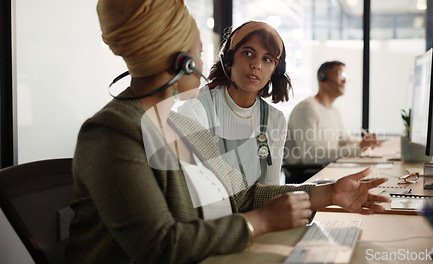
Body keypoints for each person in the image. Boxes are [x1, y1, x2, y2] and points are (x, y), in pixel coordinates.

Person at [66, 1, 390, 263]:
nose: (205, 58)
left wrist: (327, 193)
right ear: (182, 62)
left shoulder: (181, 123)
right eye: (198, 50)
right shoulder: (112, 133)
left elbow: (241, 196)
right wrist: (259, 223)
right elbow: (159, 246)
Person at [178, 21, 289, 185]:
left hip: (259, 209)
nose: (256, 65)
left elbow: (270, 187)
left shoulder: (275, 119)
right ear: (228, 59)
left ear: (275, 71)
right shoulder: (197, 110)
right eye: (248, 53)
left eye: (267, 59)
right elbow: (194, 188)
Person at [285, 61, 381, 165]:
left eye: (345, 76)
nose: (344, 81)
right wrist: (358, 148)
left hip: (327, 168)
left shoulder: (334, 111)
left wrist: (368, 142)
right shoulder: (306, 109)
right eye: (340, 75)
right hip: (307, 175)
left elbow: (346, 140)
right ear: (322, 77)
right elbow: (310, 155)